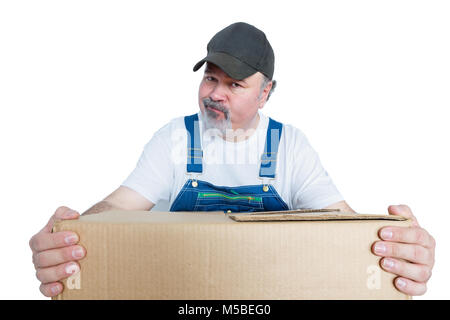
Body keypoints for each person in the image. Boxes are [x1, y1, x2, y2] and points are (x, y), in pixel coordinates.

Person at [29, 22, 435, 298]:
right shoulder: (174, 138)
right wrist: (73, 236)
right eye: (210, 77)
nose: (214, 94)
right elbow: (118, 208)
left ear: (266, 93)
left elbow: (341, 224)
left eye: (234, 84)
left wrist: (394, 249)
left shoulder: (290, 146)